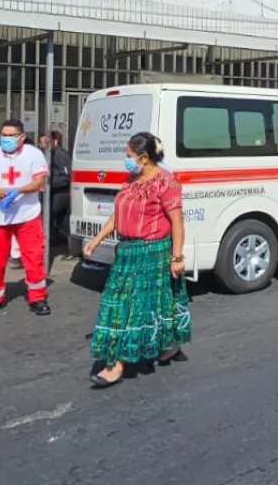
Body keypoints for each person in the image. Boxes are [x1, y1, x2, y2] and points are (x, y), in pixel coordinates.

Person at [85, 132, 190, 388]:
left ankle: (117, 363)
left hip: (153, 253)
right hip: (127, 252)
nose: (126, 160)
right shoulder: (131, 180)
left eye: (129, 155)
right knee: (124, 303)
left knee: (137, 306)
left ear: (144, 157)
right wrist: (97, 239)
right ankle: (166, 346)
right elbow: (117, 215)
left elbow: (177, 222)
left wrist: (177, 257)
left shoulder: (166, 183)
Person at [0, 119, 51, 317]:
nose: (6, 139)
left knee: (33, 257)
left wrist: (17, 190)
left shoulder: (33, 154)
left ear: (21, 137)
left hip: (27, 214)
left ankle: (37, 297)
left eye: (11, 135)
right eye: (3, 135)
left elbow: (39, 182)